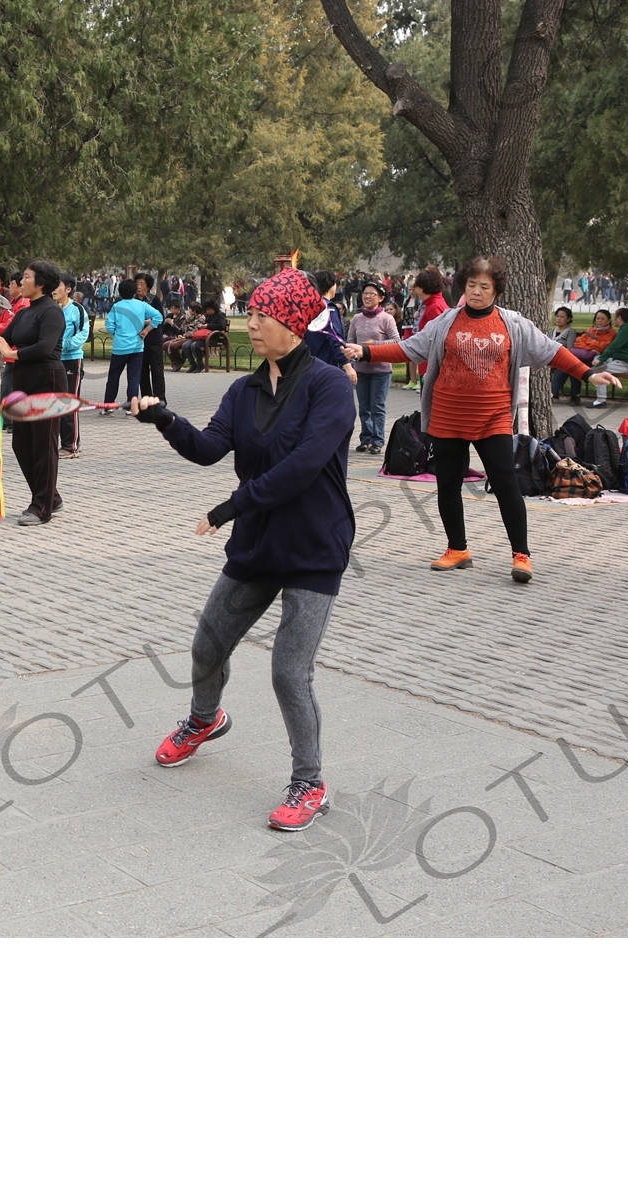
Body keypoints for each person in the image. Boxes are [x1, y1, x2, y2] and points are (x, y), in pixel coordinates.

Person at [134, 267, 356, 832]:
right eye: (250, 314)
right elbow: (209, 448)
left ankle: (310, 782)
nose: (250, 324)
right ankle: (204, 720)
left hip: (312, 546)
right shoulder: (244, 389)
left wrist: (229, 508)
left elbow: (303, 466)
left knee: (289, 672)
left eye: (263, 316)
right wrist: (164, 417)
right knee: (207, 644)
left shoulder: (330, 387)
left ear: (295, 322)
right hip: (257, 543)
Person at [342, 254, 620, 583]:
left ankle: (521, 555)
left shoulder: (513, 324)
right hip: (447, 418)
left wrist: (588, 374)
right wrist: (366, 351)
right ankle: (457, 549)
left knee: (506, 484)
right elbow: (410, 348)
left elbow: (551, 351)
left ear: (496, 290)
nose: (476, 291)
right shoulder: (445, 322)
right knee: (447, 484)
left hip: (494, 419)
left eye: (484, 286)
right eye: (471, 284)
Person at [0, 260, 66, 524]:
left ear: (40, 283)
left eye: (26, 277)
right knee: (21, 443)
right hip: (23, 382)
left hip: (47, 381)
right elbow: (3, 342)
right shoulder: (24, 312)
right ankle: (50, 496)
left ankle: (41, 508)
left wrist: (14, 354)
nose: (20, 282)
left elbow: (44, 347)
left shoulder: (52, 312)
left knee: (44, 445)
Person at [348, 281, 399, 454]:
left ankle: (378, 441)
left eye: (372, 294)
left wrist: (375, 344)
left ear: (381, 298)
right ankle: (365, 439)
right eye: (365, 293)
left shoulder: (387, 318)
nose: (367, 296)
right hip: (361, 370)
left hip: (381, 371)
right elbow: (351, 341)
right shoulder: (356, 318)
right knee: (364, 407)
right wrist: (351, 355)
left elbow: (396, 341)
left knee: (377, 406)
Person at [103, 282, 157, 414]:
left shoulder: (116, 307)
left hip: (120, 348)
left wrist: (115, 330)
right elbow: (158, 317)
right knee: (134, 378)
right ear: (134, 292)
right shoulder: (142, 305)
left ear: (119, 293)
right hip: (137, 348)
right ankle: (130, 407)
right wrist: (147, 329)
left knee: (113, 378)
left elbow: (109, 326)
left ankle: (109, 406)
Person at [56, 274, 89, 457]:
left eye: (58, 285)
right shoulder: (50, 308)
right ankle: (58, 443)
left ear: (68, 289)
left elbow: (84, 334)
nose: (53, 289)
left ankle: (71, 446)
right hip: (53, 360)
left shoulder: (77, 309)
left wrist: (63, 345)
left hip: (71, 360)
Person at [587, 307, 628, 408]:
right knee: (597, 357)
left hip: (627, 363)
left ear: (619, 318)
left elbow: (614, 347)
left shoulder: (626, 329)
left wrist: (600, 360)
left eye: (614, 317)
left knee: (598, 371)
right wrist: (600, 358)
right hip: (623, 360)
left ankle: (601, 400)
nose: (614, 320)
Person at [405, 266, 448, 389]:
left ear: (423, 288)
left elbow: (439, 339)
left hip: (431, 365)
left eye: (416, 287)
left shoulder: (435, 307)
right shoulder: (428, 304)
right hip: (426, 362)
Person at [135, 273, 167, 402]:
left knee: (157, 370)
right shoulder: (133, 301)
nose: (139, 287)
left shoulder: (154, 300)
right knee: (142, 371)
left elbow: (161, 318)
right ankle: (146, 398)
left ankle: (160, 399)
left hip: (153, 340)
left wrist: (148, 322)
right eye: (137, 284)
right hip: (138, 341)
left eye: (142, 284)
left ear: (148, 286)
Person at [549, 307, 585, 403]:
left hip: (562, 356)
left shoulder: (570, 332)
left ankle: (552, 392)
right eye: (557, 316)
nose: (559, 319)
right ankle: (553, 392)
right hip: (549, 356)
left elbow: (570, 348)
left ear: (568, 319)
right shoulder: (552, 331)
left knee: (569, 368)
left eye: (562, 317)